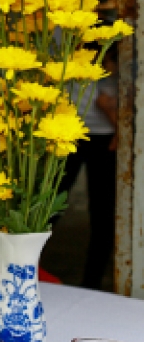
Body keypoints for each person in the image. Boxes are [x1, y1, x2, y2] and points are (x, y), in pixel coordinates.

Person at [55, 45, 118, 290]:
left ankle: (91, 284)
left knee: (104, 214)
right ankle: (30, 270)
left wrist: (121, 125)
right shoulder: (64, 30)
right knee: (47, 208)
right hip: (67, 132)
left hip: (108, 137)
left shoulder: (119, 30)